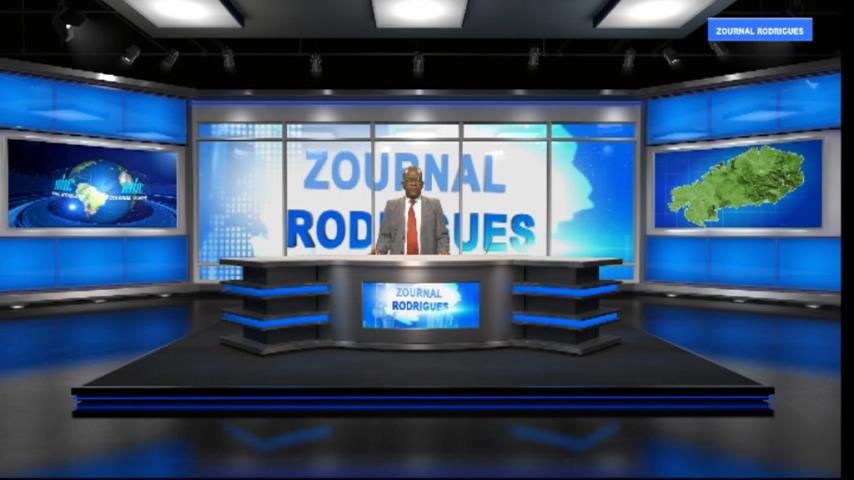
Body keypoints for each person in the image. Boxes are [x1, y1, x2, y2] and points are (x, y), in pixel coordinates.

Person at [371, 166, 450, 255]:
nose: (413, 183)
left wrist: (443, 251)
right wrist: (379, 251)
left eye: (417, 180)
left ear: (422, 184)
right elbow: (385, 236)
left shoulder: (434, 205)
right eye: (410, 180)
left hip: (427, 262)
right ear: (403, 184)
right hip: (398, 262)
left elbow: (442, 235)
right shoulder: (391, 206)